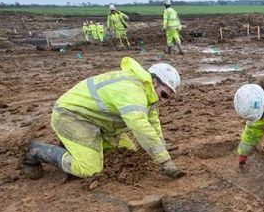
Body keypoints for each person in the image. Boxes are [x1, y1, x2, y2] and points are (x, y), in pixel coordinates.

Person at [21, 57, 183, 180]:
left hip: (98, 123)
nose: (163, 100)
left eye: (167, 98)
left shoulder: (148, 93)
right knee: (90, 169)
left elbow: (153, 122)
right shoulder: (132, 90)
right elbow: (141, 127)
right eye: (163, 94)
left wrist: (162, 145)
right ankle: (38, 151)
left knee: (128, 152)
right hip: (72, 116)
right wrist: (164, 161)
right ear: (154, 81)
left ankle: (75, 147)